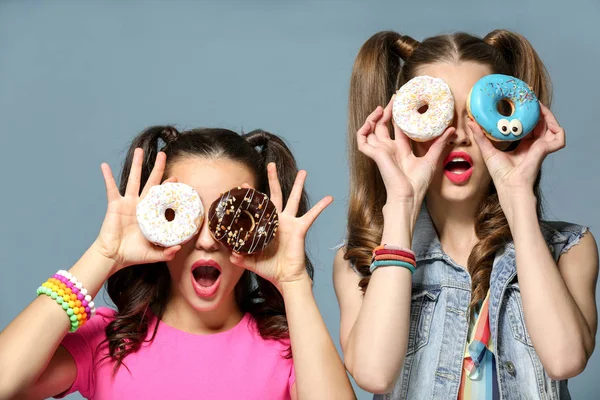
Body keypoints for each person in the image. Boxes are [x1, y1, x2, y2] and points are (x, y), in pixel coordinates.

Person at [334, 30, 598, 399]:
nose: (458, 135)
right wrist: (402, 202)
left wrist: (518, 194)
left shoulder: (570, 248)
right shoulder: (360, 260)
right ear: (403, 127)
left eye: (475, 116)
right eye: (436, 115)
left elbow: (565, 359)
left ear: (507, 128)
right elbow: (374, 375)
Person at [0, 126, 355, 400]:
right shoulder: (108, 341)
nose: (205, 240)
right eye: (187, 214)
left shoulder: (290, 351)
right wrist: (104, 255)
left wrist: (292, 281)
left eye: (226, 218)